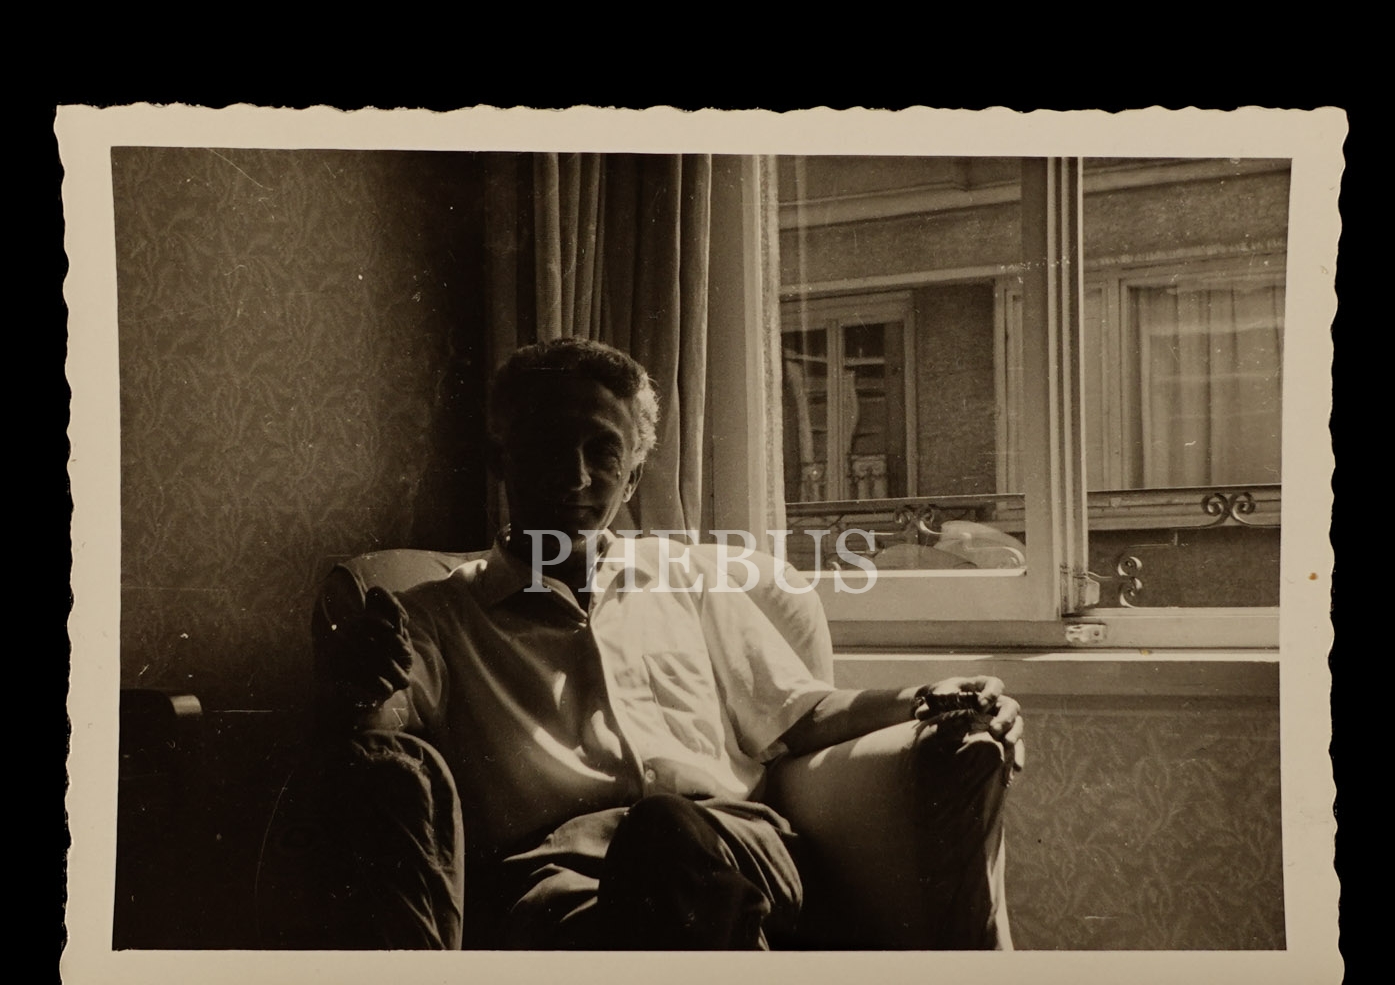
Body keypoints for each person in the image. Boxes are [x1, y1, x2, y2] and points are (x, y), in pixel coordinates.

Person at [313, 337, 1023, 950]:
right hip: (564, 889)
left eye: (603, 451)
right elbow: (382, 728)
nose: (575, 476)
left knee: (666, 833)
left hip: (734, 848)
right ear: (502, 459)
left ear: (633, 476)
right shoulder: (435, 617)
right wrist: (362, 688)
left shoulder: (686, 579)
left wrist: (927, 697)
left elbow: (801, 711)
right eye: (548, 446)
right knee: (658, 865)